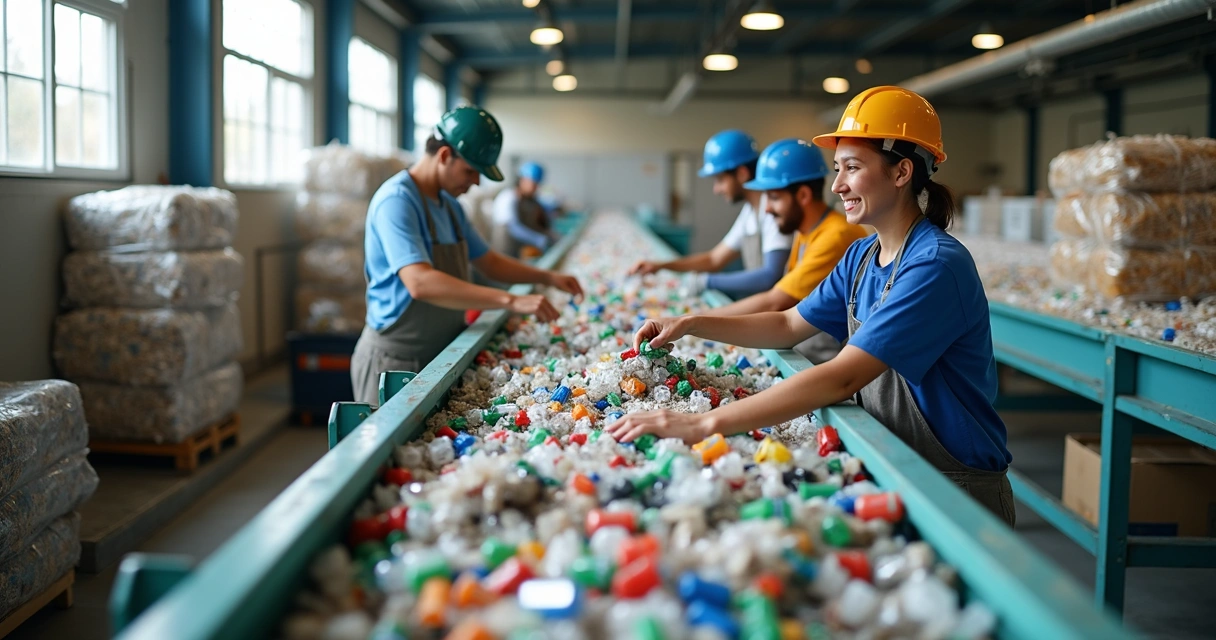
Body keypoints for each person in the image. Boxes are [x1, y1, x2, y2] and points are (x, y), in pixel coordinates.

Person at [609, 86, 1015, 526]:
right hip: (892, 462)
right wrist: (690, 323)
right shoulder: (861, 257)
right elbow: (786, 324)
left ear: (901, 172)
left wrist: (703, 426)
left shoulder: (935, 266)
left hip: (953, 487)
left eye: (853, 168)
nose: (837, 185)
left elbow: (844, 377)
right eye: (838, 169)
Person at [352, 107, 584, 405]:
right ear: (445, 155)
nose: (475, 182)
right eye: (471, 171)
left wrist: (547, 276)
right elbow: (419, 282)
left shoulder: (449, 207)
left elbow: (489, 261)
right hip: (396, 360)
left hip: (442, 354)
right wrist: (511, 300)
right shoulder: (397, 201)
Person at [699, 137, 869, 364]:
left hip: (828, 361)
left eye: (774, 197)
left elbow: (775, 301)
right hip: (806, 351)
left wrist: (693, 321)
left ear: (803, 196)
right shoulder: (805, 231)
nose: (767, 208)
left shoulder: (835, 235)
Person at [628, 130, 793, 299]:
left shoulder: (774, 211)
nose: (716, 189)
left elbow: (770, 276)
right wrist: (661, 266)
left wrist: (707, 282)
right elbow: (714, 259)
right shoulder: (750, 212)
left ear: (742, 173)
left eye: (720, 180)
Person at [491, 161, 557, 259]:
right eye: (533, 184)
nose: (535, 188)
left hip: (519, 253)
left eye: (537, 185)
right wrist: (539, 239)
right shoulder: (507, 198)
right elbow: (513, 227)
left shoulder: (529, 200)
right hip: (504, 252)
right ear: (522, 180)